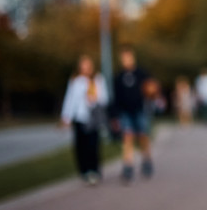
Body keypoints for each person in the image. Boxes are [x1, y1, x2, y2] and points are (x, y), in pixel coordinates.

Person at [60, 55, 109, 185]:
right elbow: (70, 99)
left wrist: (95, 98)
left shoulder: (98, 79)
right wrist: (66, 116)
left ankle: (94, 170)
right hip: (80, 118)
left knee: (93, 145)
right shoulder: (75, 81)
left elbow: (104, 99)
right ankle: (84, 171)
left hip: (93, 118)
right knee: (80, 146)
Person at [112, 45, 154, 184]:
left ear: (132, 57)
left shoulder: (141, 73)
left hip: (140, 110)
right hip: (125, 112)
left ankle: (146, 160)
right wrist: (114, 116)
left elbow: (151, 88)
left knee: (142, 136)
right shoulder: (119, 77)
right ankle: (128, 165)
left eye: (128, 57)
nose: (126, 60)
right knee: (127, 137)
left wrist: (152, 91)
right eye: (124, 58)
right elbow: (116, 98)